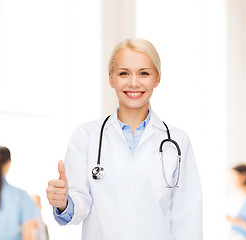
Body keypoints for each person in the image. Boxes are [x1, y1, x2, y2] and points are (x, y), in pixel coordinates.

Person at [46, 38, 203, 240]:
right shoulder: (86, 136)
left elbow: (187, 220)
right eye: (124, 73)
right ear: (111, 79)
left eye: (144, 73)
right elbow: (79, 205)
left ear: (157, 78)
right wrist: (63, 202)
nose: (134, 82)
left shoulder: (177, 142)